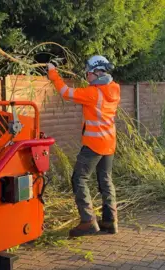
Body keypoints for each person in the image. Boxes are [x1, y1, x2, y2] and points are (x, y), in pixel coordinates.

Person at [46, 55, 121, 237]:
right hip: (109, 142)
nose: (86, 77)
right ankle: (110, 221)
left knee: (79, 178)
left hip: (94, 144)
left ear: (96, 73)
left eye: (88, 74)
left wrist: (52, 71)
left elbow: (65, 92)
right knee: (105, 180)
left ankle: (88, 221)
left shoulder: (92, 94)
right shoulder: (114, 89)